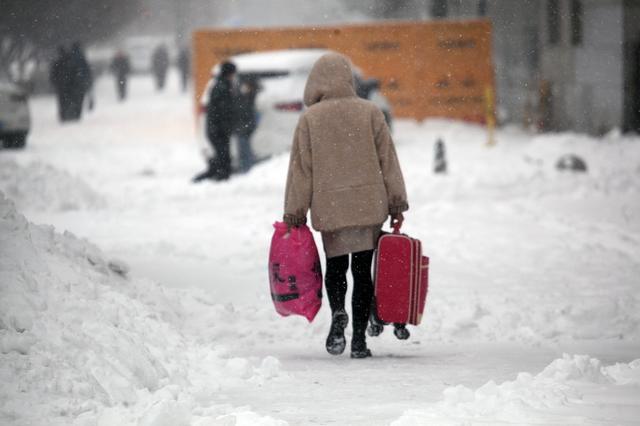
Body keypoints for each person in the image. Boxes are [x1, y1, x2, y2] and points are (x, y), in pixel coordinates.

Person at [282, 52, 408, 359]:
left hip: (331, 204)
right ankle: (360, 342)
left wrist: (294, 211)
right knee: (363, 272)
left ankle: (338, 311)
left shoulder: (310, 119)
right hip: (368, 204)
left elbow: (302, 170)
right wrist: (396, 202)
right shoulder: (371, 112)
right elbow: (387, 160)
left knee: (336, 267)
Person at [193, 61, 237, 182]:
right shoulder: (222, 87)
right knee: (223, 155)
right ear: (229, 73)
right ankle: (220, 176)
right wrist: (226, 127)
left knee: (221, 154)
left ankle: (218, 174)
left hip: (215, 128)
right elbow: (223, 111)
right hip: (218, 129)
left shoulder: (220, 84)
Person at [234, 77, 260, 173]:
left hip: (245, 125)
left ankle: (246, 168)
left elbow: (245, 111)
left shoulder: (249, 96)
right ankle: (247, 167)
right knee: (244, 147)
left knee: (244, 148)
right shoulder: (247, 96)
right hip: (245, 125)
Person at [67, 42, 92, 120]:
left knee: (72, 97)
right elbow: (86, 69)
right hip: (81, 81)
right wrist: (87, 79)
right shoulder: (82, 56)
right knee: (80, 98)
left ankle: (73, 113)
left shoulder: (69, 56)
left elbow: (68, 69)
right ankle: (78, 113)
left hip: (72, 82)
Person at [50, 46, 71, 122]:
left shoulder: (57, 63)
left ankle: (63, 115)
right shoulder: (69, 62)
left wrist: (55, 82)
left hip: (60, 85)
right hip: (68, 85)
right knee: (68, 100)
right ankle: (69, 114)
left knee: (62, 101)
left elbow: (53, 75)